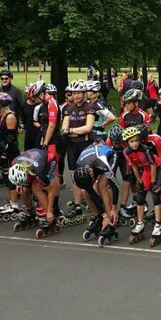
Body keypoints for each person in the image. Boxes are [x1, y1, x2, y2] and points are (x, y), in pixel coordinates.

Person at [122, 125, 161, 244]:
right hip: (146, 169)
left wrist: (153, 183)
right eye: (131, 141)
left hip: (157, 168)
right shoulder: (126, 152)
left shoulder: (145, 148)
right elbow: (134, 166)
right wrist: (139, 181)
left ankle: (158, 223)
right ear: (127, 143)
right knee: (140, 196)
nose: (135, 144)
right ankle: (140, 223)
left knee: (155, 194)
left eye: (136, 140)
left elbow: (153, 165)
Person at [61, 80, 97, 220]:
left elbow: (88, 128)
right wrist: (75, 132)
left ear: (84, 93)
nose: (76, 96)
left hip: (86, 145)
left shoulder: (90, 107)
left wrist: (71, 130)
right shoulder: (68, 109)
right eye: (73, 93)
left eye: (78, 93)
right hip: (72, 146)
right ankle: (77, 206)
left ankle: (96, 205)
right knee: (75, 178)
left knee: (89, 177)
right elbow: (64, 130)